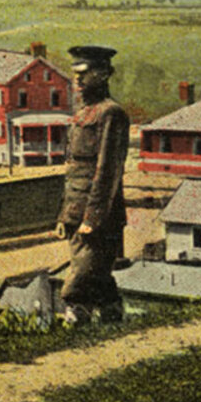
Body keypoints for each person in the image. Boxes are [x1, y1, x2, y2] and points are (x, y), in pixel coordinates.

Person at [56, 45, 128, 324]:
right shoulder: (82, 115)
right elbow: (74, 172)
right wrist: (65, 215)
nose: (78, 81)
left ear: (104, 75)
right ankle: (112, 321)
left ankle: (75, 326)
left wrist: (93, 218)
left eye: (84, 74)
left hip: (100, 216)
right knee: (95, 275)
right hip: (77, 212)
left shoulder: (111, 114)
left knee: (80, 279)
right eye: (75, 74)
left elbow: (107, 171)